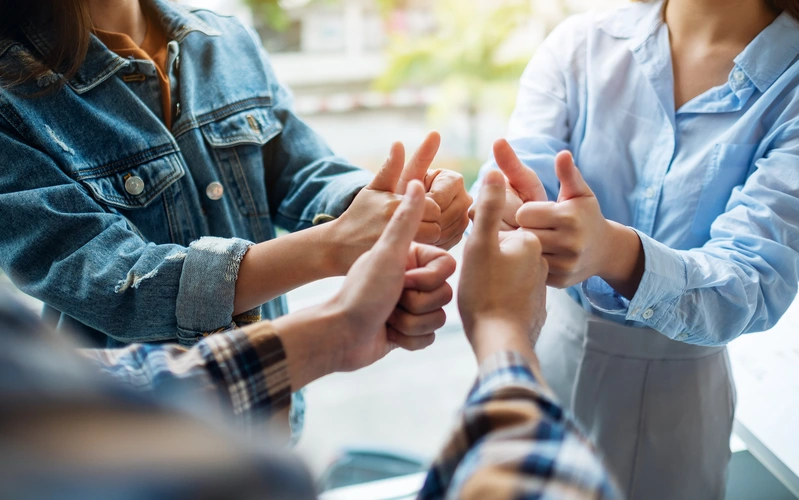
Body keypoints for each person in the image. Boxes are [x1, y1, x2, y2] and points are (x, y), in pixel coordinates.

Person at [0, 0, 471, 436]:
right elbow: (115, 279)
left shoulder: (224, 39)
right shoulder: (10, 90)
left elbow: (299, 169)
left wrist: (389, 208)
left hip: (271, 419)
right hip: (129, 449)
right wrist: (336, 245)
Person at [0, 176, 620, 500]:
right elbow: (544, 486)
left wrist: (335, 327)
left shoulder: (216, 36)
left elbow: (112, 388)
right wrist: (503, 330)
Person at [470, 0, 799, 498]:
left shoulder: (790, 85)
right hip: (543, 352)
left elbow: (752, 281)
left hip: (679, 400)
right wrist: (505, 208)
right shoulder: (580, 42)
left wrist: (612, 252)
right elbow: (520, 172)